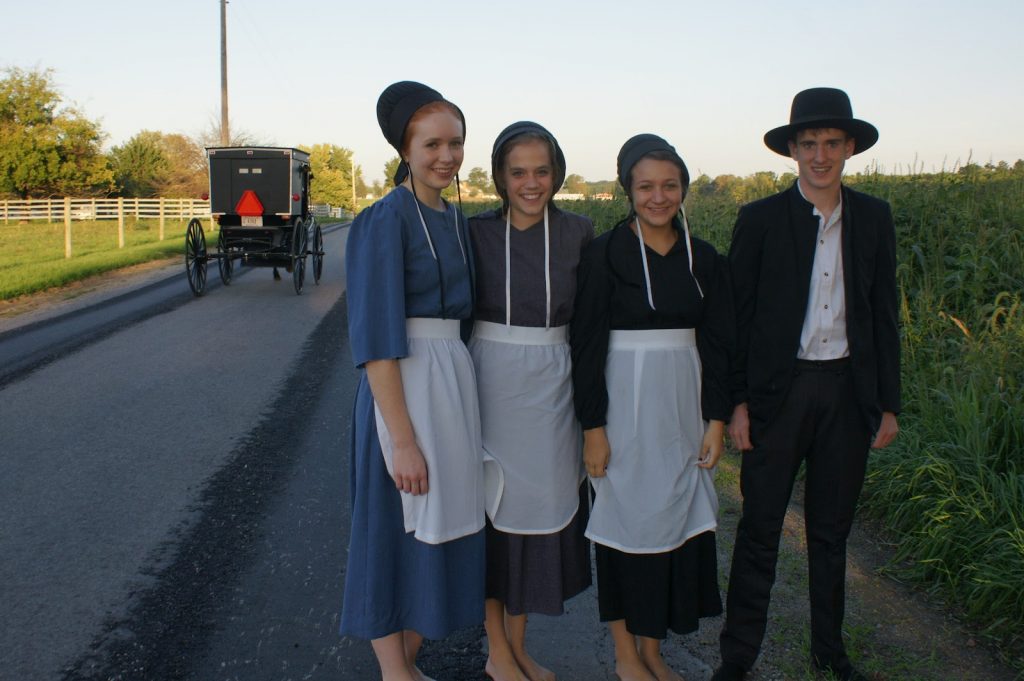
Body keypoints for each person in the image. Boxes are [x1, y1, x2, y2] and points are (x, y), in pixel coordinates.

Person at [712, 88, 900, 681]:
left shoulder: (873, 217)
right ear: (793, 149)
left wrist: (888, 404)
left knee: (830, 533)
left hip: (846, 394)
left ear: (849, 148)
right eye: (810, 143)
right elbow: (737, 319)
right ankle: (738, 656)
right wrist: (737, 402)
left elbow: (883, 314)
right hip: (779, 394)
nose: (821, 155)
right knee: (760, 529)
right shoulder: (760, 220)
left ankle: (829, 651)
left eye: (832, 143)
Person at [571, 134, 733, 681]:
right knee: (625, 523)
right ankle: (625, 655)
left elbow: (720, 344)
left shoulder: (703, 258)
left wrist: (716, 419)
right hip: (623, 409)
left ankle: (653, 651)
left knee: (673, 524)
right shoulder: (603, 255)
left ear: (683, 188)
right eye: (646, 187)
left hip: (683, 409)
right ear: (628, 190)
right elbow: (586, 346)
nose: (658, 197)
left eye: (669, 185)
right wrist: (593, 427)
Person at [341, 81, 485, 681]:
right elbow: (376, 338)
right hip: (400, 389)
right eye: (432, 145)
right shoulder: (384, 220)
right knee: (389, 530)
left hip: (451, 385)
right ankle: (393, 672)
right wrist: (401, 439)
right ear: (405, 149)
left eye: (456, 143)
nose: (446, 157)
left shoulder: (455, 219)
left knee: (439, 527)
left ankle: (409, 657)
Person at [468, 122, 594, 681]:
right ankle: (496, 651)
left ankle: (518, 648)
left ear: (556, 173)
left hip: (553, 385)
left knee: (535, 516)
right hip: (489, 384)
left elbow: (590, 324)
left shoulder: (579, 232)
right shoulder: (474, 233)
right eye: (518, 172)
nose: (531, 183)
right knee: (493, 514)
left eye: (542, 171)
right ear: (500, 176)